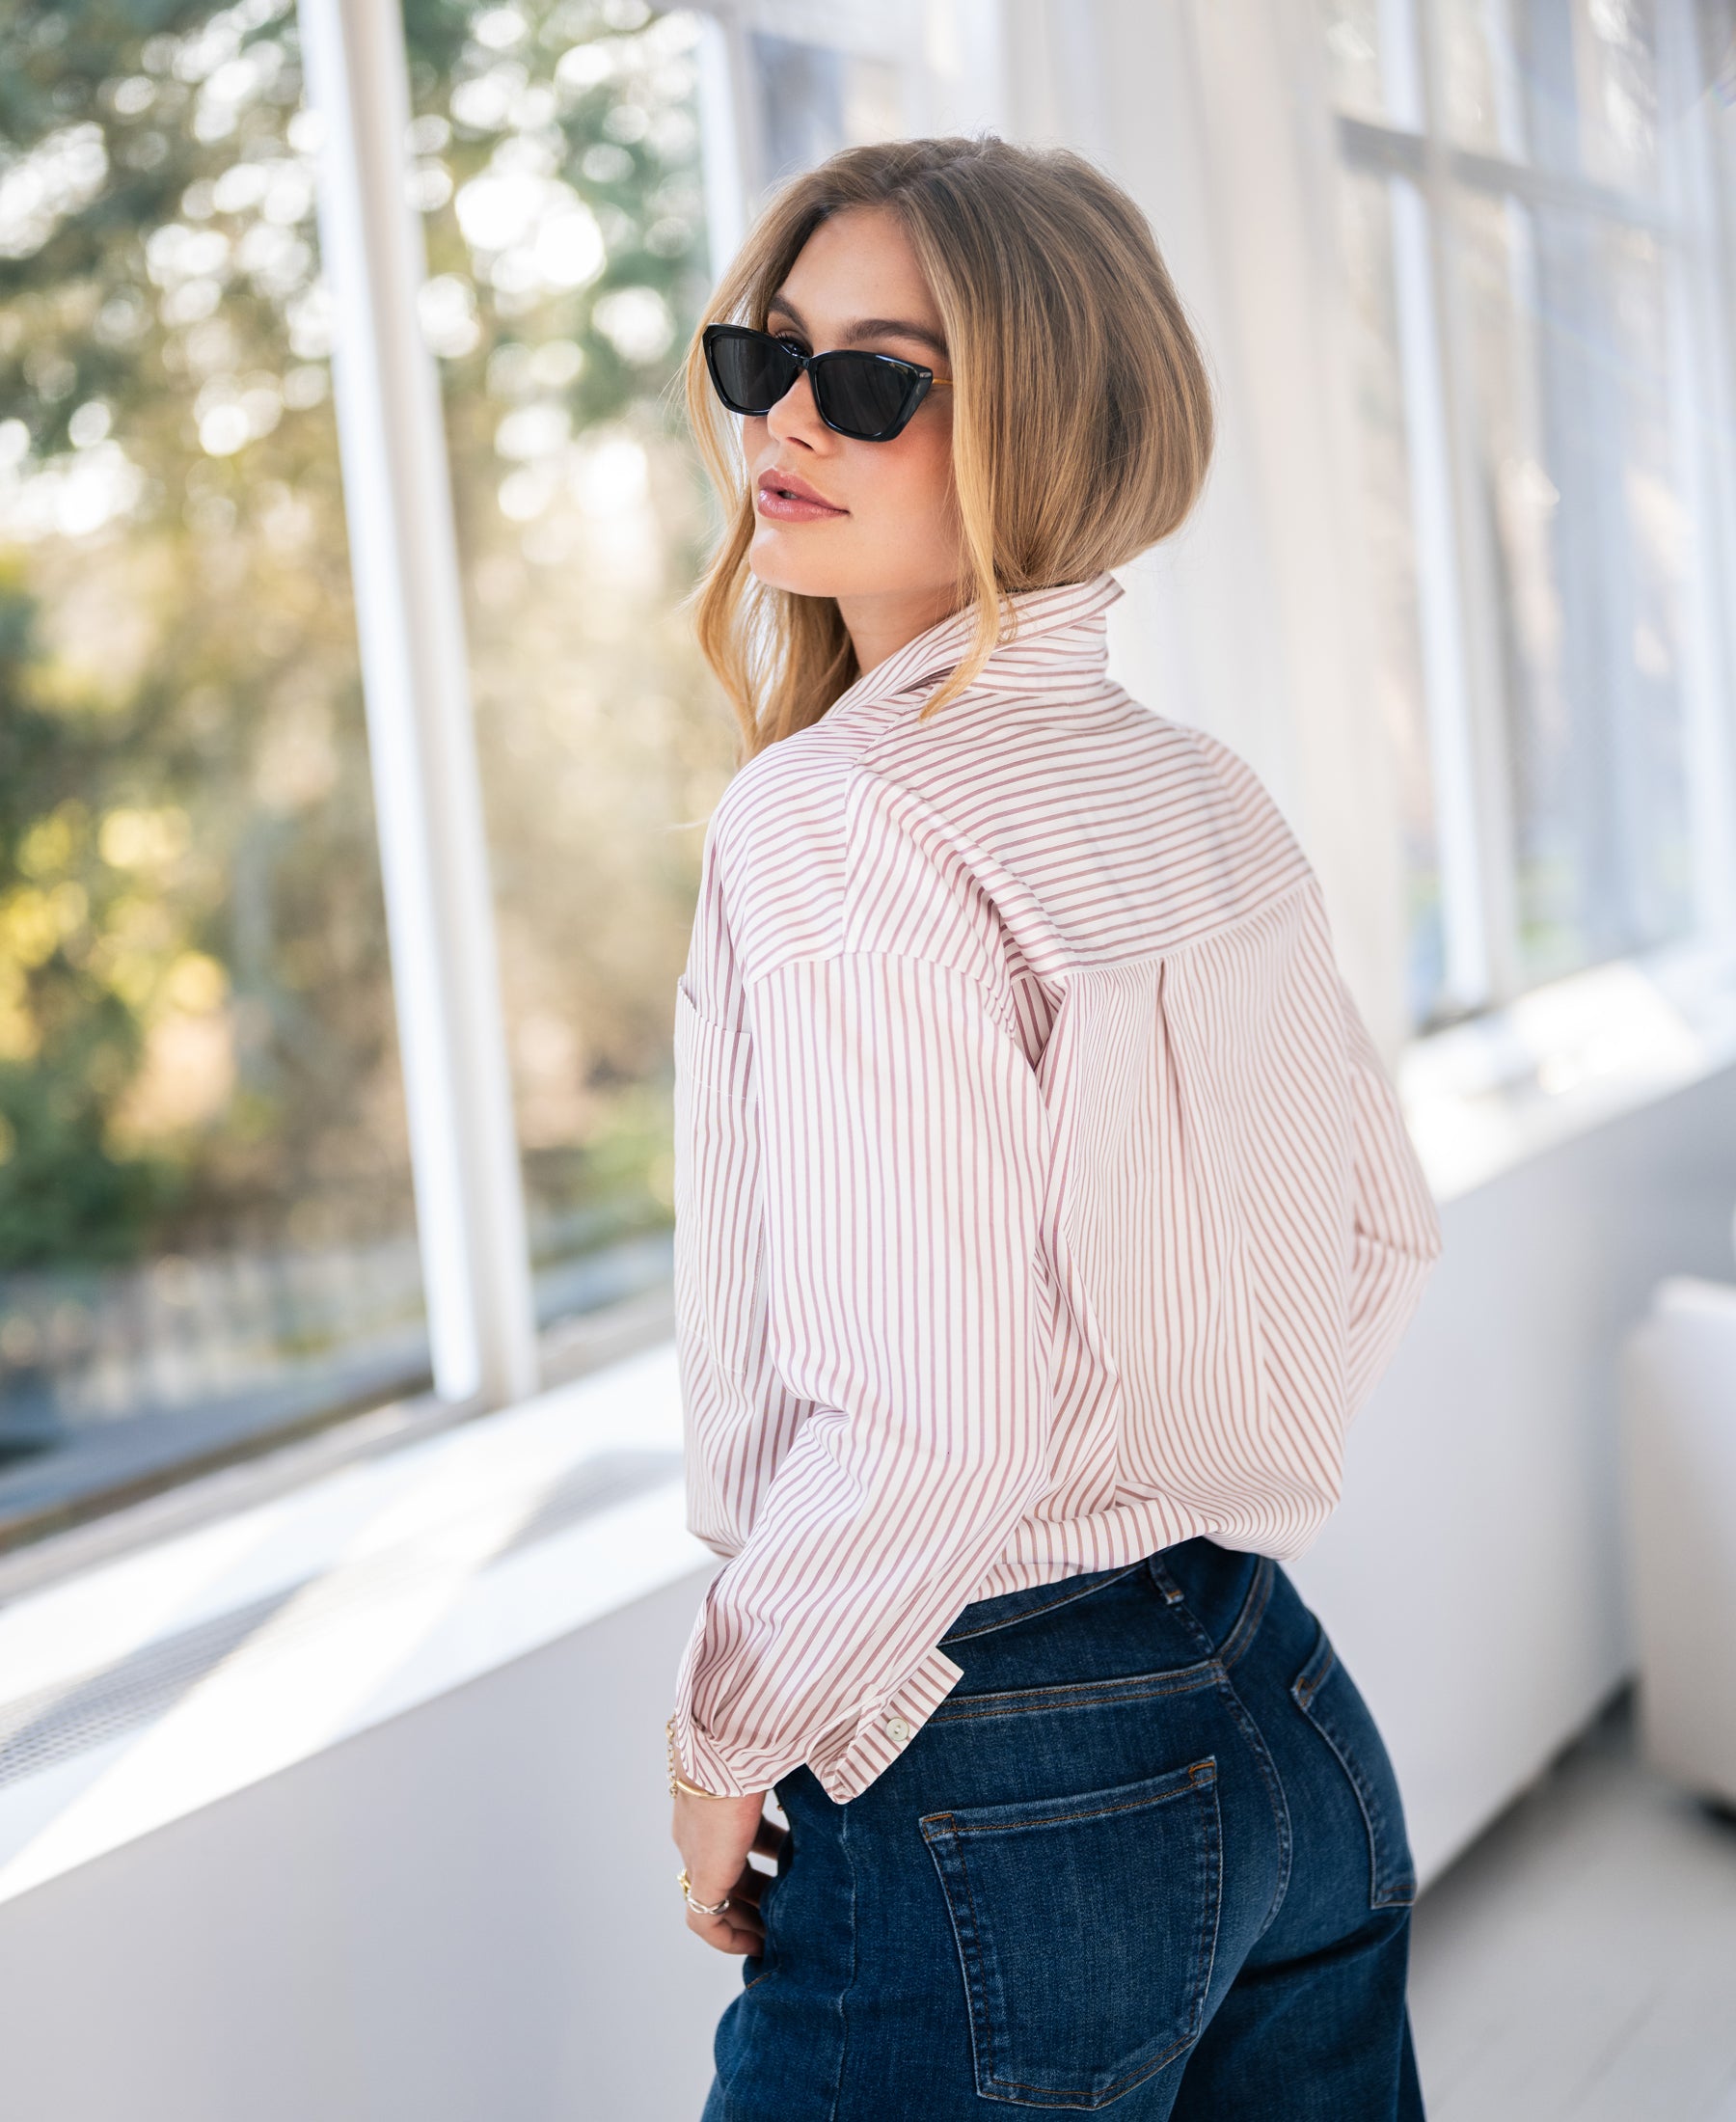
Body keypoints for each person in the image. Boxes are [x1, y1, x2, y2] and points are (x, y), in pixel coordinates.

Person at [664, 133, 1444, 2122]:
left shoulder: (835, 815)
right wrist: (1172, 1449)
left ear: (1049, 423)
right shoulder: (1203, 790)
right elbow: (1375, 1235)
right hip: (1276, 1696)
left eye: (877, 379)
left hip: (986, 1760)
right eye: (769, 356)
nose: (789, 421)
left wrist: (722, 1736)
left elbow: (932, 1416)